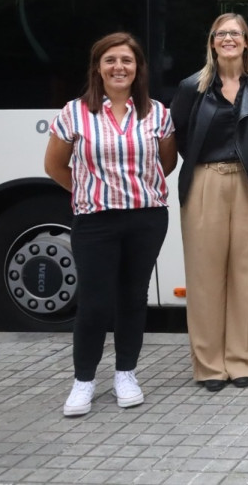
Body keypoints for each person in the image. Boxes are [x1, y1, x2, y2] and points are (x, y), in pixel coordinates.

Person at [45, 33, 177, 417]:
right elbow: (54, 165)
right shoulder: (74, 113)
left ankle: (126, 374)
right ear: (98, 68)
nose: (119, 67)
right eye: (110, 60)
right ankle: (83, 380)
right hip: (95, 221)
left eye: (127, 61)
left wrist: (132, 189)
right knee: (94, 303)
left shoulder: (157, 113)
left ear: (138, 69)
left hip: (146, 218)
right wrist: (90, 190)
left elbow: (165, 164)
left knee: (133, 298)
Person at [171, 14, 248, 391]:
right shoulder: (192, 88)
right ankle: (209, 366)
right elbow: (181, 138)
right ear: (212, 42)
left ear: (246, 41)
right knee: (205, 277)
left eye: (236, 33)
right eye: (222, 34)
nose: (229, 39)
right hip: (206, 181)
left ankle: (245, 360)